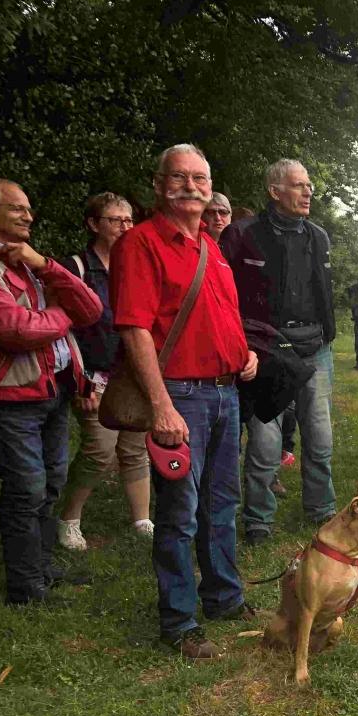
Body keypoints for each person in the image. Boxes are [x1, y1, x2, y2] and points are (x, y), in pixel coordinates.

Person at [109, 144, 258, 658]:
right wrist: (161, 407)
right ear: (158, 185)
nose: (191, 187)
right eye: (179, 177)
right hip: (181, 395)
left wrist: (244, 353)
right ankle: (179, 621)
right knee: (180, 514)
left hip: (225, 391)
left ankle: (223, 596)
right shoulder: (141, 243)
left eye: (200, 178)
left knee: (222, 503)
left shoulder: (211, 246)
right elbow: (134, 328)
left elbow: (220, 315)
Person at [0, 178, 102, 606]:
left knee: (52, 482)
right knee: (26, 489)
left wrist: (46, 264)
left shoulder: (26, 262)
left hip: (52, 391)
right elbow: (16, 331)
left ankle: (40, 567)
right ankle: (25, 586)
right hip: (11, 397)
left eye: (28, 208)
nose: (29, 216)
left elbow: (90, 308)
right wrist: (62, 313)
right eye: (17, 208)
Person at [222, 158, 337, 545]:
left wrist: (327, 333)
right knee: (265, 442)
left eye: (309, 186)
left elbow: (322, 290)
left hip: (315, 347)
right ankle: (258, 519)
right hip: (266, 349)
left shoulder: (318, 236)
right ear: (275, 191)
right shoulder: (242, 234)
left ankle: (321, 509)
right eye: (299, 185)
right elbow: (225, 296)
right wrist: (243, 343)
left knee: (320, 437)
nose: (308, 192)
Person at [56, 193, 152, 551]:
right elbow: (62, 331)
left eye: (129, 220)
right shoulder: (76, 268)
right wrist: (80, 383)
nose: (125, 227)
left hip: (134, 373)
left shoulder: (138, 265)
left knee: (135, 446)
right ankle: (69, 518)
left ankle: (142, 520)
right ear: (93, 224)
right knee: (99, 449)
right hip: (92, 376)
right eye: (115, 220)